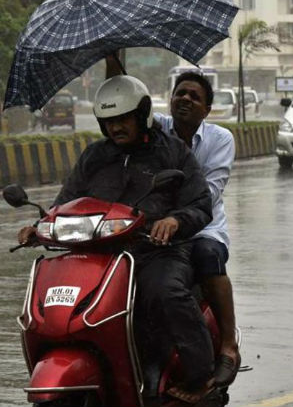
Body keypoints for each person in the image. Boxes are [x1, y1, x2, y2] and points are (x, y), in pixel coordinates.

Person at [17, 75, 217, 404]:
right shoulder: (95, 156)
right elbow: (65, 203)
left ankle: (201, 376)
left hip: (154, 251)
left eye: (123, 119)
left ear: (141, 115)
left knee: (166, 292)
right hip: (99, 255)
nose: (116, 127)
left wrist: (173, 220)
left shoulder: (171, 152)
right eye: (109, 121)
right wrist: (39, 227)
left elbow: (200, 204)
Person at [154, 72, 241, 393]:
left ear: (206, 110)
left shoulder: (220, 139)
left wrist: (177, 217)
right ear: (170, 99)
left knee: (207, 255)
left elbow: (210, 193)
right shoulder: (156, 129)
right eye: (180, 93)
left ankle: (228, 344)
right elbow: (125, 109)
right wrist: (114, 62)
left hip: (203, 226)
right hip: (156, 227)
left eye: (195, 96)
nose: (186, 99)